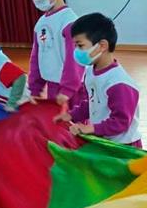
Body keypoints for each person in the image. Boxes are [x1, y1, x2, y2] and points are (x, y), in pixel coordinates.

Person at [60, 13, 142, 147]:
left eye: (80, 45)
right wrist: (71, 115)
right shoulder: (90, 71)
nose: (76, 51)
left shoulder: (119, 84)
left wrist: (91, 128)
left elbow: (121, 122)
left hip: (123, 147)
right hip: (103, 140)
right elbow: (93, 103)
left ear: (102, 45)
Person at [25, 0, 81, 102]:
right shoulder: (41, 23)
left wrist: (68, 90)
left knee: (74, 118)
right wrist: (34, 88)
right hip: (53, 88)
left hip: (73, 91)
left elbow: (75, 61)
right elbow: (36, 58)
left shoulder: (69, 22)